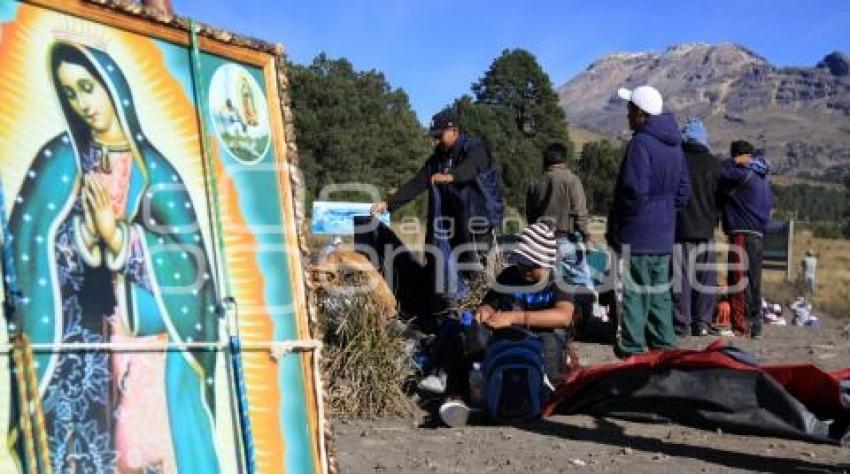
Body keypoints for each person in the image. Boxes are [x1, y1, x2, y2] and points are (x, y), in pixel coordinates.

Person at [7, 41, 220, 472]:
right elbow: (28, 250)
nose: (82, 103)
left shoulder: (154, 172)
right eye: (69, 93)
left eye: (88, 87)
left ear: (112, 87)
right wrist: (80, 239)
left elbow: (190, 269)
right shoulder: (61, 160)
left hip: (142, 350)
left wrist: (119, 237)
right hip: (77, 348)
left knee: (137, 450)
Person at [438, 223, 578, 427]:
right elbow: (488, 306)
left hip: (540, 344)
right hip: (506, 341)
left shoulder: (557, 282)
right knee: (472, 337)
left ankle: (544, 390)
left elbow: (564, 316)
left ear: (547, 263)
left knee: (549, 340)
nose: (525, 269)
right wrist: (484, 313)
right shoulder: (509, 276)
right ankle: (462, 392)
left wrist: (515, 317)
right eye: (521, 262)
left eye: (532, 264)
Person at [371, 108, 503, 314]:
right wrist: (388, 204)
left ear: (455, 131)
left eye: (439, 135)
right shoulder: (438, 159)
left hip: (478, 223)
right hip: (453, 224)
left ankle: (485, 314)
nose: (436, 141)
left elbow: (472, 167)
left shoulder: (475, 148)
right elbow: (417, 183)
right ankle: (457, 312)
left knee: (478, 270)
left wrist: (451, 176)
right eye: (434, 136)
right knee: (449, 267)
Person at [607, 85, 691, 358]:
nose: (627, 113)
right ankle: (664, 346)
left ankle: (632, 347)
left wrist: (622, 222)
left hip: (637, 231)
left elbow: (634, 191)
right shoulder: (675, 145)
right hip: (664, 234)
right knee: (659, 294)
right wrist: (665, 212)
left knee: (634, 293)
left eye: (629, 108)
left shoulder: (641, 143)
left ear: (641, 112)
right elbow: (683, 192)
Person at [526, 143, 594, 308]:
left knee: (551, 284)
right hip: (566, 239)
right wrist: (586, 237)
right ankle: (590, 313)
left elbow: (530, 215)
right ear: (564, 160)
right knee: (581, 277)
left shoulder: (535, 183)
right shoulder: (571, 179)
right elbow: (580, 212)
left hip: (542, 243)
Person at [718, 140, 773, 339]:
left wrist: (735, 162)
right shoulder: (763, 178)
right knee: (754, 281)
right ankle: (755, 323)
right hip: (759, 234)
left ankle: (739, 325)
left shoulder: (743, 174)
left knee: (738, 279)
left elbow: (721, 171)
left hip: (741, 231)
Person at [672, 119, 721, 337]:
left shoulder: (677, 161)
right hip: (706, 229)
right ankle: (702, 322)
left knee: (681, 278)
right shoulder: (714, 164)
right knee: (705, 278)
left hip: (680, 229)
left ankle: (681, 323)